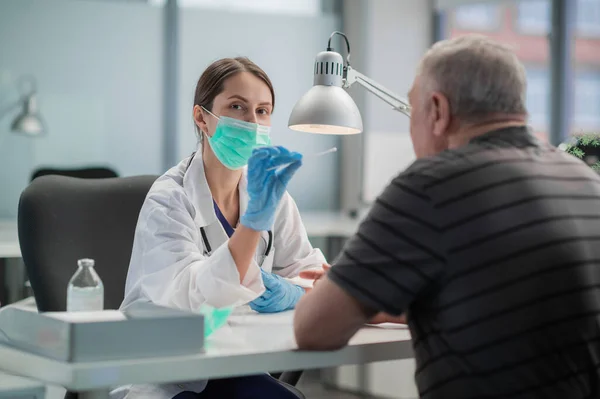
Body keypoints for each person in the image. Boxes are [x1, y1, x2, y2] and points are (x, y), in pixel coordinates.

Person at [294, 34, 600, 399]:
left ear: (437, 111)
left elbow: (315, 330)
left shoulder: (430, 185)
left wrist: (343, 292)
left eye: (412, 110)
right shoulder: (582, 178)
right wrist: (391, 305)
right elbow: (520, 310)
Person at [112, 57, 326, 399]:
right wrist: (253, 223)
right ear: (202, 117)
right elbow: (192, 299)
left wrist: (295, 292)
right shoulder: (170, 200)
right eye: (237, 106)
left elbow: (312, 273)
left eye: (262, 110)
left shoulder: (272, 195)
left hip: (234, 364)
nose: (252, 122)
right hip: (166, 373)